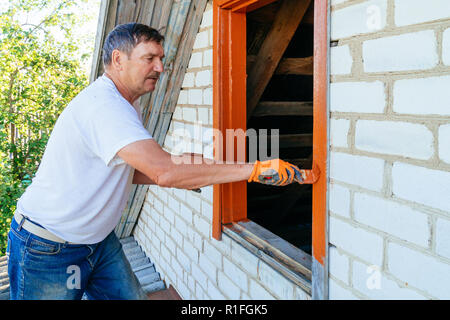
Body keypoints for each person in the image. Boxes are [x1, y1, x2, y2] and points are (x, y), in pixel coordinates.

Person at [6, 23, 319, 300]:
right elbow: (162, 171)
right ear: (118, 59)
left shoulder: (127, 104)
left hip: (97, 241)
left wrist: (190, 169)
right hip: (48, 247)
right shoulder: (105, 107)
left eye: (161, 59)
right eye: (149, 58)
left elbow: (133, 171)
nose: (160, 67)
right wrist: (254, 169)